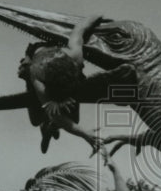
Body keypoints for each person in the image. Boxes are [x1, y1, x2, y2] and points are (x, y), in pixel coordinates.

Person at [19, 13, 104, 153]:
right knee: (36, 120)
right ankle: (45, 125)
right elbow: (58, 117)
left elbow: (81, 27)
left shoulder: (75, 54)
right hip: (36, 58)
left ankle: (50, 126)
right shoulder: (36, 75)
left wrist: (98, 16)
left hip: (61, 66)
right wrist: (85, 134)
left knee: (74, 119)